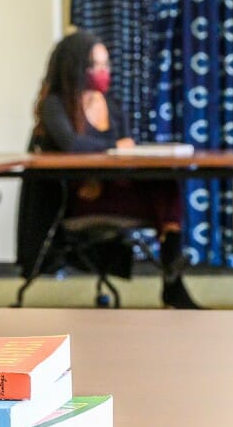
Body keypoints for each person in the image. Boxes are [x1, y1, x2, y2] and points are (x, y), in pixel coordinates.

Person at [30, 30, 200, 309]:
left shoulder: (111, 105)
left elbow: (127, 151)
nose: (103, 72)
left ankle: (172, 274)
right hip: (82, 196)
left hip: (113, 187)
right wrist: (112, 149)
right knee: (165, 196)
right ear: (76, 67)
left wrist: (114, 154)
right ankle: (173, 276)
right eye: (95, 66)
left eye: (106, 66)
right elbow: (73, 145)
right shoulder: (55, 105)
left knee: (167, 183)